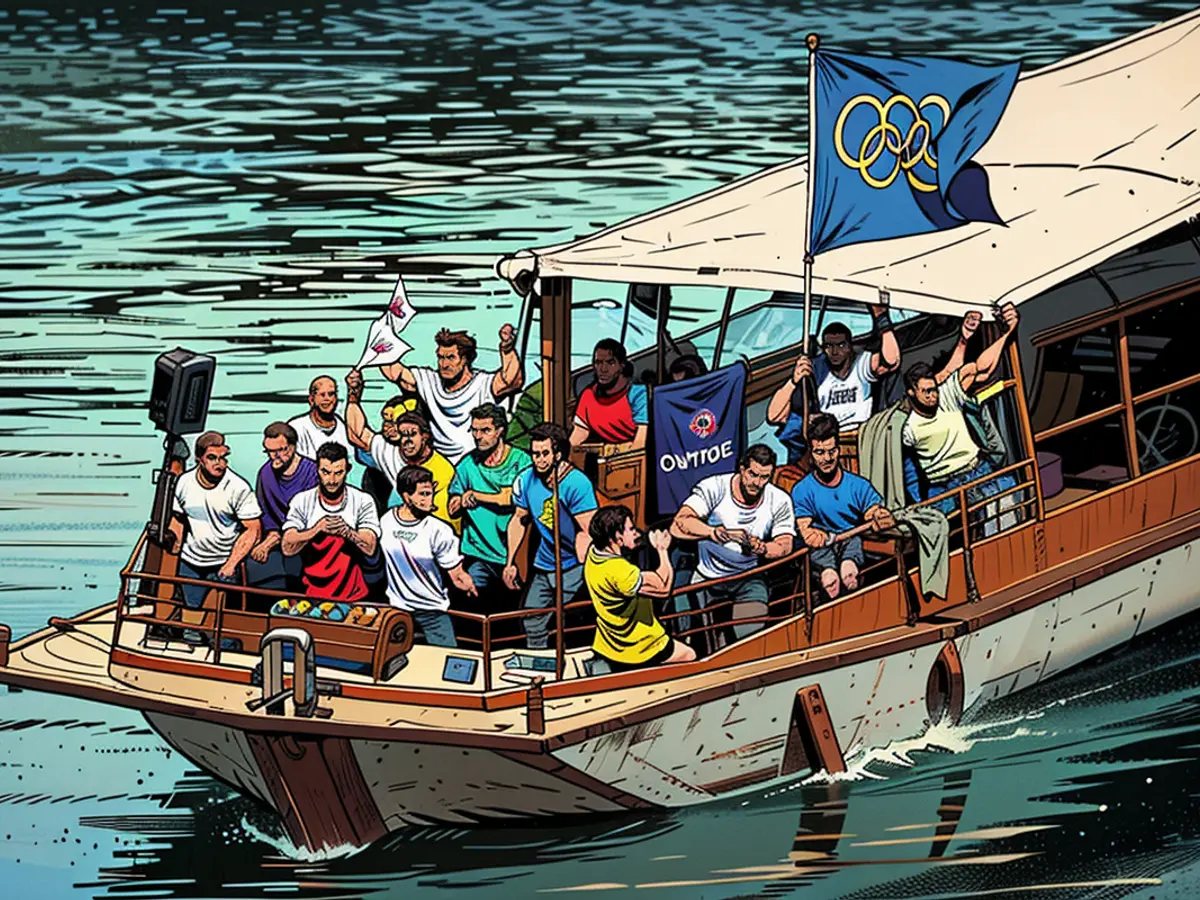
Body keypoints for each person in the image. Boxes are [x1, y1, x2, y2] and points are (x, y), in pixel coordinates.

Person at [902, 303, 1021, 533]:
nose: (932, 395)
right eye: (926, 391)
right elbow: (909, 469)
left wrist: (1006, 332)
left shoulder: (945, 395)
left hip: (977, 471)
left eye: (934, 389)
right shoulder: (907, 426)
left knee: (1003, 507)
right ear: (912, 392)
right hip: (944, 485)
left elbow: (977, 369)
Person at [670, 444, 795, 650]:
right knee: (695, 639)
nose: (757, 483)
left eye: (764, 477)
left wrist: (761, 547)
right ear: (742, 469)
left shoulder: (779, 499)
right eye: (752, 475)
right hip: (707, 577)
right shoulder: (715, 487)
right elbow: (680, 523)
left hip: (748, 576)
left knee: (750, 640)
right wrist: (714, 532)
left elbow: (785, 545)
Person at [504, 422, 599, 650]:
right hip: (546, 562)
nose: (539, 460)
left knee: (568, 620)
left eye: (545, 453)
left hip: (574, 566)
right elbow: (519, 519)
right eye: (535, 454)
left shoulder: (576, 483)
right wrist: (510, 563)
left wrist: (587, 565)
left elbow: (590, 530)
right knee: (532, 617)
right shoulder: (525, 479)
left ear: (558, 454)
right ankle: (537, 661)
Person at [766, 307, 901, 464]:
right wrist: (793, 381)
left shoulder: (861, 363)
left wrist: (881, 319)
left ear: (850, 347)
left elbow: (892, 361)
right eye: (829, 346)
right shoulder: (818, 370)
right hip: (828, 441)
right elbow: (774, 416)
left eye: (841, 345)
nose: (835, 352)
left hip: (861, 438)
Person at [378, 325, 524, 464]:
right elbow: (394, 373)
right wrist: (383, 334)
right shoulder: (429, 381)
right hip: (436, 464)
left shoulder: (482, 383)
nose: (444, 364)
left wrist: (506, 349)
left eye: (451, 358)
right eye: (441, 358)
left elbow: (511, 380)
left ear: (465, 359)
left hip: (474, 465)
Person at [792, 414, 896, 600]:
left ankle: (850, 575)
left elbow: (873, 510)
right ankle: (830, 578)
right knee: (823, 562)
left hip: (851, 540)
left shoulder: (858, 485)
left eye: (831, 451)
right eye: (820, 453)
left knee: (853, 550)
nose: (827, 458)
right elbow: (804, 527)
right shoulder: (802, 490)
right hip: (821, 545)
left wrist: (879, 514)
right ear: (812, 452)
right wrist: (812, 535)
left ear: (838, 449)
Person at [168, 431, 262, 636]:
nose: (219, 463)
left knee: (222, 629)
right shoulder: (184, 482)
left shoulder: (237, 487)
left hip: (223, 562)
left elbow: (253, 529)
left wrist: (231, 564)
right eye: (212, 458)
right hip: (191, 563)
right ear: (199, 459)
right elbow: (179, 518)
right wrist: (174, 546)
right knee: (190, 624)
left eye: (223, 457)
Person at [585, 505, 696, 673]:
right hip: (639, 644)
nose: (636, 533)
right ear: (616, 537)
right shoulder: (619, 571)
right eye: (630, 529)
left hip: (610, 641)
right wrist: (662, 550)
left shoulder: (593, 554)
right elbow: (663, 587)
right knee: (689, 656)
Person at [345, 370, 460, 533]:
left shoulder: (443, 471)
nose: (407, 440)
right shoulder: (392, 452)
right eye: (403, 434)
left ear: (425, 436)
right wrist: (353, 397)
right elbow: (357, 434)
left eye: (412, 434)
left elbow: (442, 523)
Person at [380, 465, 478, 648]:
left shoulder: (439, 530)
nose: (429, 499)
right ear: (406, 496)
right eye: (423, 494)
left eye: (430, 493)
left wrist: (468, 583)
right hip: (398, 609)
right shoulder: (386, 522)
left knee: (448, 659)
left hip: (432, 610)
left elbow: (455, 572)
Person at [447, 403, 531, 606]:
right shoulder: (467, 464)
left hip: (514, 554)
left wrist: (476, 495)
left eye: (485, 430)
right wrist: (459, 501)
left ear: (500, 431)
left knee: (513, 612)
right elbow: (452, 506)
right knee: (472, 604)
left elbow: (511, 497)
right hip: (478, 554)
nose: (478, 436)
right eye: (474, 430)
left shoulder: (522, 461)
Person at [281, 442, 381, 604]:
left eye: (338, 473)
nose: (332, 480)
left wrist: (347, 531)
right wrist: (317, 529)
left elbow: (370, 547)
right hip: (311, 592)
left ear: (347, 470)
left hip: (353, 594)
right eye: (326, 472)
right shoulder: (302, 500)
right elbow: (287, 546)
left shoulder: (363, 500)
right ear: (317, 470)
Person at [247, 421, 318, 594]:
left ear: (293, 447)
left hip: (307, 539)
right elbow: (267, 515)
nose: (274, 456)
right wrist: (269, 540)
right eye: (270, 451)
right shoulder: (265, 474)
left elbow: (311, 517)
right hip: (278, 539)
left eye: (280, 450)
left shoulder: (312, 472)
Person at [570, 339, 649, 457]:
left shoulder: (636, 393)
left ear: (621, 365)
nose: (603, 369)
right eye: (598, 363)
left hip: (629, 458)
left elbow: (640, 441)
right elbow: (580, 433)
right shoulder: (588, 395)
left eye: (610, 363)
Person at [288, 375, 358, 477]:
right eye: (322, 395)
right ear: (312, 399)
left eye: (331, 394)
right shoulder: (296, 428)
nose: (327, 399)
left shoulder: (345, 429)